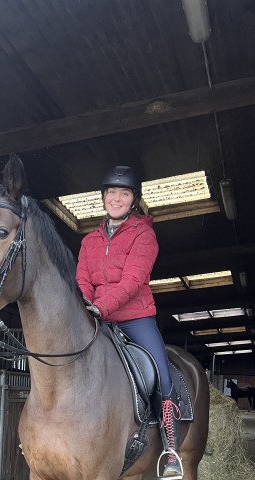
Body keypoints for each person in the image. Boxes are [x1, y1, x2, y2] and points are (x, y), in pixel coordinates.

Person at [76, 165, 182, 478]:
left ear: (133, 200)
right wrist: (85, 304)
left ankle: (171, 448)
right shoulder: (89, 241)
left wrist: (101, 307)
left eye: (124, 193)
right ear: (103, 197)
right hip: (94, 315)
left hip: (135, 317)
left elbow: (133, 280)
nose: (117, 198)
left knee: (162, 375)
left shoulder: (144, 234)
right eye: (112, 192)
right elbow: (82, 276)